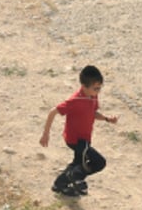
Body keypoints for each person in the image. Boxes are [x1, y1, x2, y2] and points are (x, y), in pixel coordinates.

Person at [39, 64, 118, 198]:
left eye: (100, 88)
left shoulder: (92, 96)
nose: (98, 91)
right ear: (84, 86)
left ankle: (60, 185)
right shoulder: (75, 100)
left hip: (85, 139)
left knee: (77, 164)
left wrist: (106, 119)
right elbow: (53, 111)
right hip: (76, 140)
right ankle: (74, 176)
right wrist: (45, 134)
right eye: (96, 88)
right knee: (99, 162)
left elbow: (93, 113)